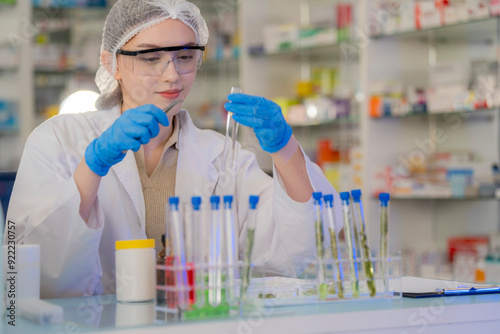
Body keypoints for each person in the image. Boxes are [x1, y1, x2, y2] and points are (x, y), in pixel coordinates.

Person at [5, 0, 342, 299]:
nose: (172, 75)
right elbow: (31, 272)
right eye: (151, 58)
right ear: (112, 64)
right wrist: (92, 167)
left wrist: (286, 150)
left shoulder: (224, 156)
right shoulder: (58, 140)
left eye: (184, 57)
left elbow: (300, 255)